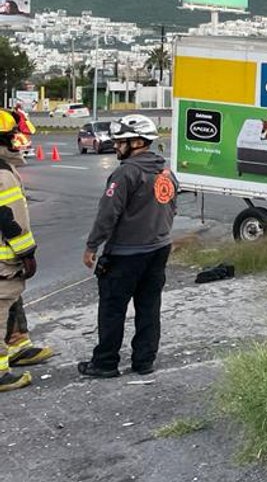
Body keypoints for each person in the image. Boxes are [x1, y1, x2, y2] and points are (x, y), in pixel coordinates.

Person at [79, 114, 177, 379]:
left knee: (112, 309)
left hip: (125, 254)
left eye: (120, 141)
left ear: (136, 142)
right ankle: (144, 361)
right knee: (149, 307)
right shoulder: (165, 172)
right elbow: (171, 207)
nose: (116, 146)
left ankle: (106, 363)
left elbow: (107, 214)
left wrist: (91, 247)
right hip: (158, 250)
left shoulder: (126, 173)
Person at [0, 108, 49, 391]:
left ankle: (17, 344)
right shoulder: (3, 175)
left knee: (8, 305)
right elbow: (11, 220)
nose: (20, 143)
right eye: (14, 139)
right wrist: (27, 253)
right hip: (5, 261)